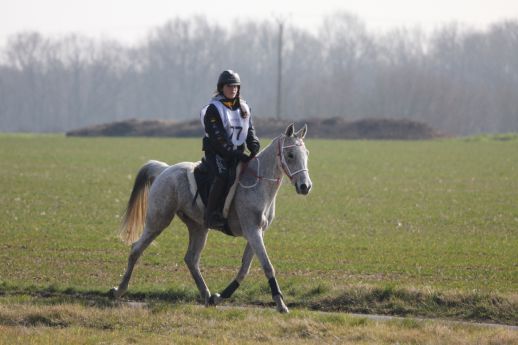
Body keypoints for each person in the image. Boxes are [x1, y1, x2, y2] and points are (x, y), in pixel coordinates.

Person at [200, 70, 260, 229]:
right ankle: (210, 215)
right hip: (217, 152)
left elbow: (250, 129)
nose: (233, 89)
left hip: (237, 153)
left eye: (236, 86)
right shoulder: (213, 109)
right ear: (221, 87)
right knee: (222, 175)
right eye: (229, 86)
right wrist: (237, 154)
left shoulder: (244, 107)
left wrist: (254, 144)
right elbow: (218, 139)